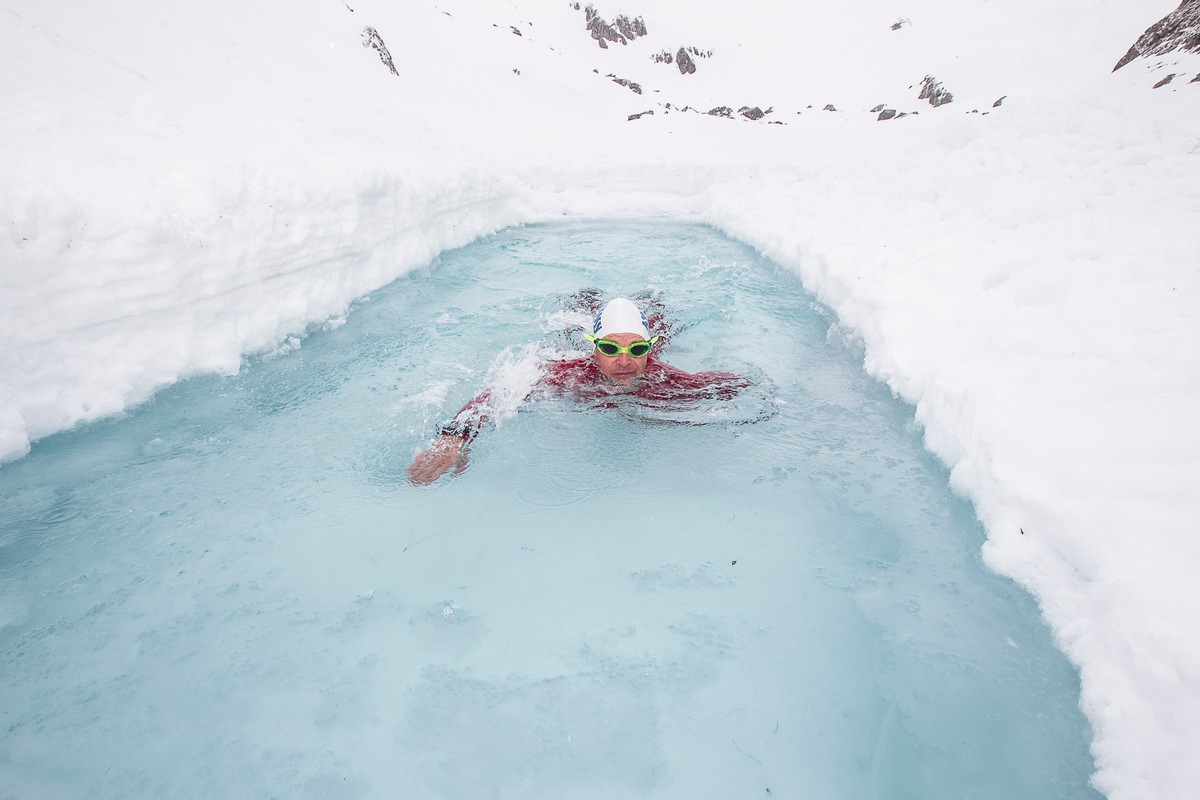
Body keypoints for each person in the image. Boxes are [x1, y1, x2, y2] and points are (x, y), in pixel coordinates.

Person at [406, 297, 749, 485]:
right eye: (611, 349)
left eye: (638, 349)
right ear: (594, 349)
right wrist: (455, 438)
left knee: (660, 316)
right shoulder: (570, 373)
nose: (625, 361)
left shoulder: (667, 380)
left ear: (649, 349)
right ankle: (588, 302)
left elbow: (736, 386)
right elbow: (501, 392)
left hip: (655, 330)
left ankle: (650, 308)